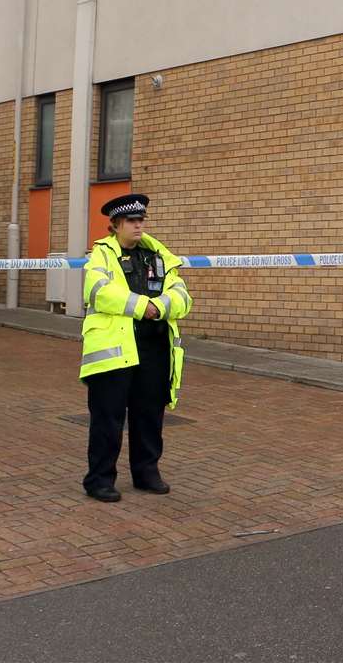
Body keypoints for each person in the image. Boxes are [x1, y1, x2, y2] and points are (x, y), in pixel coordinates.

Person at [79, 193, 192, 502]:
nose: (138, 225)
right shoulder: (102, 256)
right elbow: (99, 291)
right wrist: (146, 307)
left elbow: (182, 295)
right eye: (131, 221)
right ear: (115, 225)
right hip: (114, 349)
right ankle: (99, 479)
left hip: (154, 347)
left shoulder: (159, 256)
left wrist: (162, 307)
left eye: (141, 220)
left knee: (149, 415)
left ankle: (146, 472)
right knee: (108, 418)